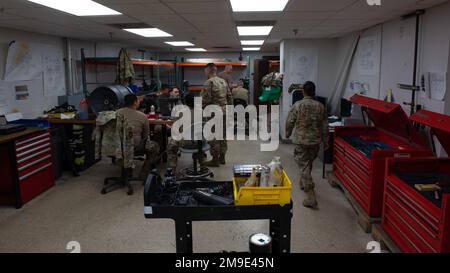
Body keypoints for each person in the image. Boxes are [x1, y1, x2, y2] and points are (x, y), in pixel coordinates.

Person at [286, 81, 329, 209]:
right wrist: (326, 141)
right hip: (315, 141)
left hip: (302, 141)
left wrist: (287, 133)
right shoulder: (321, 106)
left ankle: (311, 196)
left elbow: (290, 121)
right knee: (308, 162)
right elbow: (325, 126)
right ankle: (304, 182)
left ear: (303, 91)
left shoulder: (298, 105)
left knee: (303, 165)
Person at [117, 94, 160, 178]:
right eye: (138, 100)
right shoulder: (142, 116)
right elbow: (145, 136)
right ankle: (143, 174)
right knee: (154, 147)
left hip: (117, 147)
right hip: (135, 147)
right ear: (135, 102)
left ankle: (128, 170)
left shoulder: (116, 113)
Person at [201, 63, 233, 167]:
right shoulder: (223, 81)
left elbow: (204, 100)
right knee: (223, 135)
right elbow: (229, 97)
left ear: (208, 71)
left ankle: (215, 160)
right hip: (224, 111)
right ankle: (222, 157)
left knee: (213, 136)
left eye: (205, 71)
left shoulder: (208, 82)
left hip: (213, 112)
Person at [167, 93, 199, 170]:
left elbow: (175, 128)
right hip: (200, 142)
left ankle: (172, 170)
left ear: (185, 102)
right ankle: (202, 162)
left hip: (185, 142)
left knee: (171, 145)